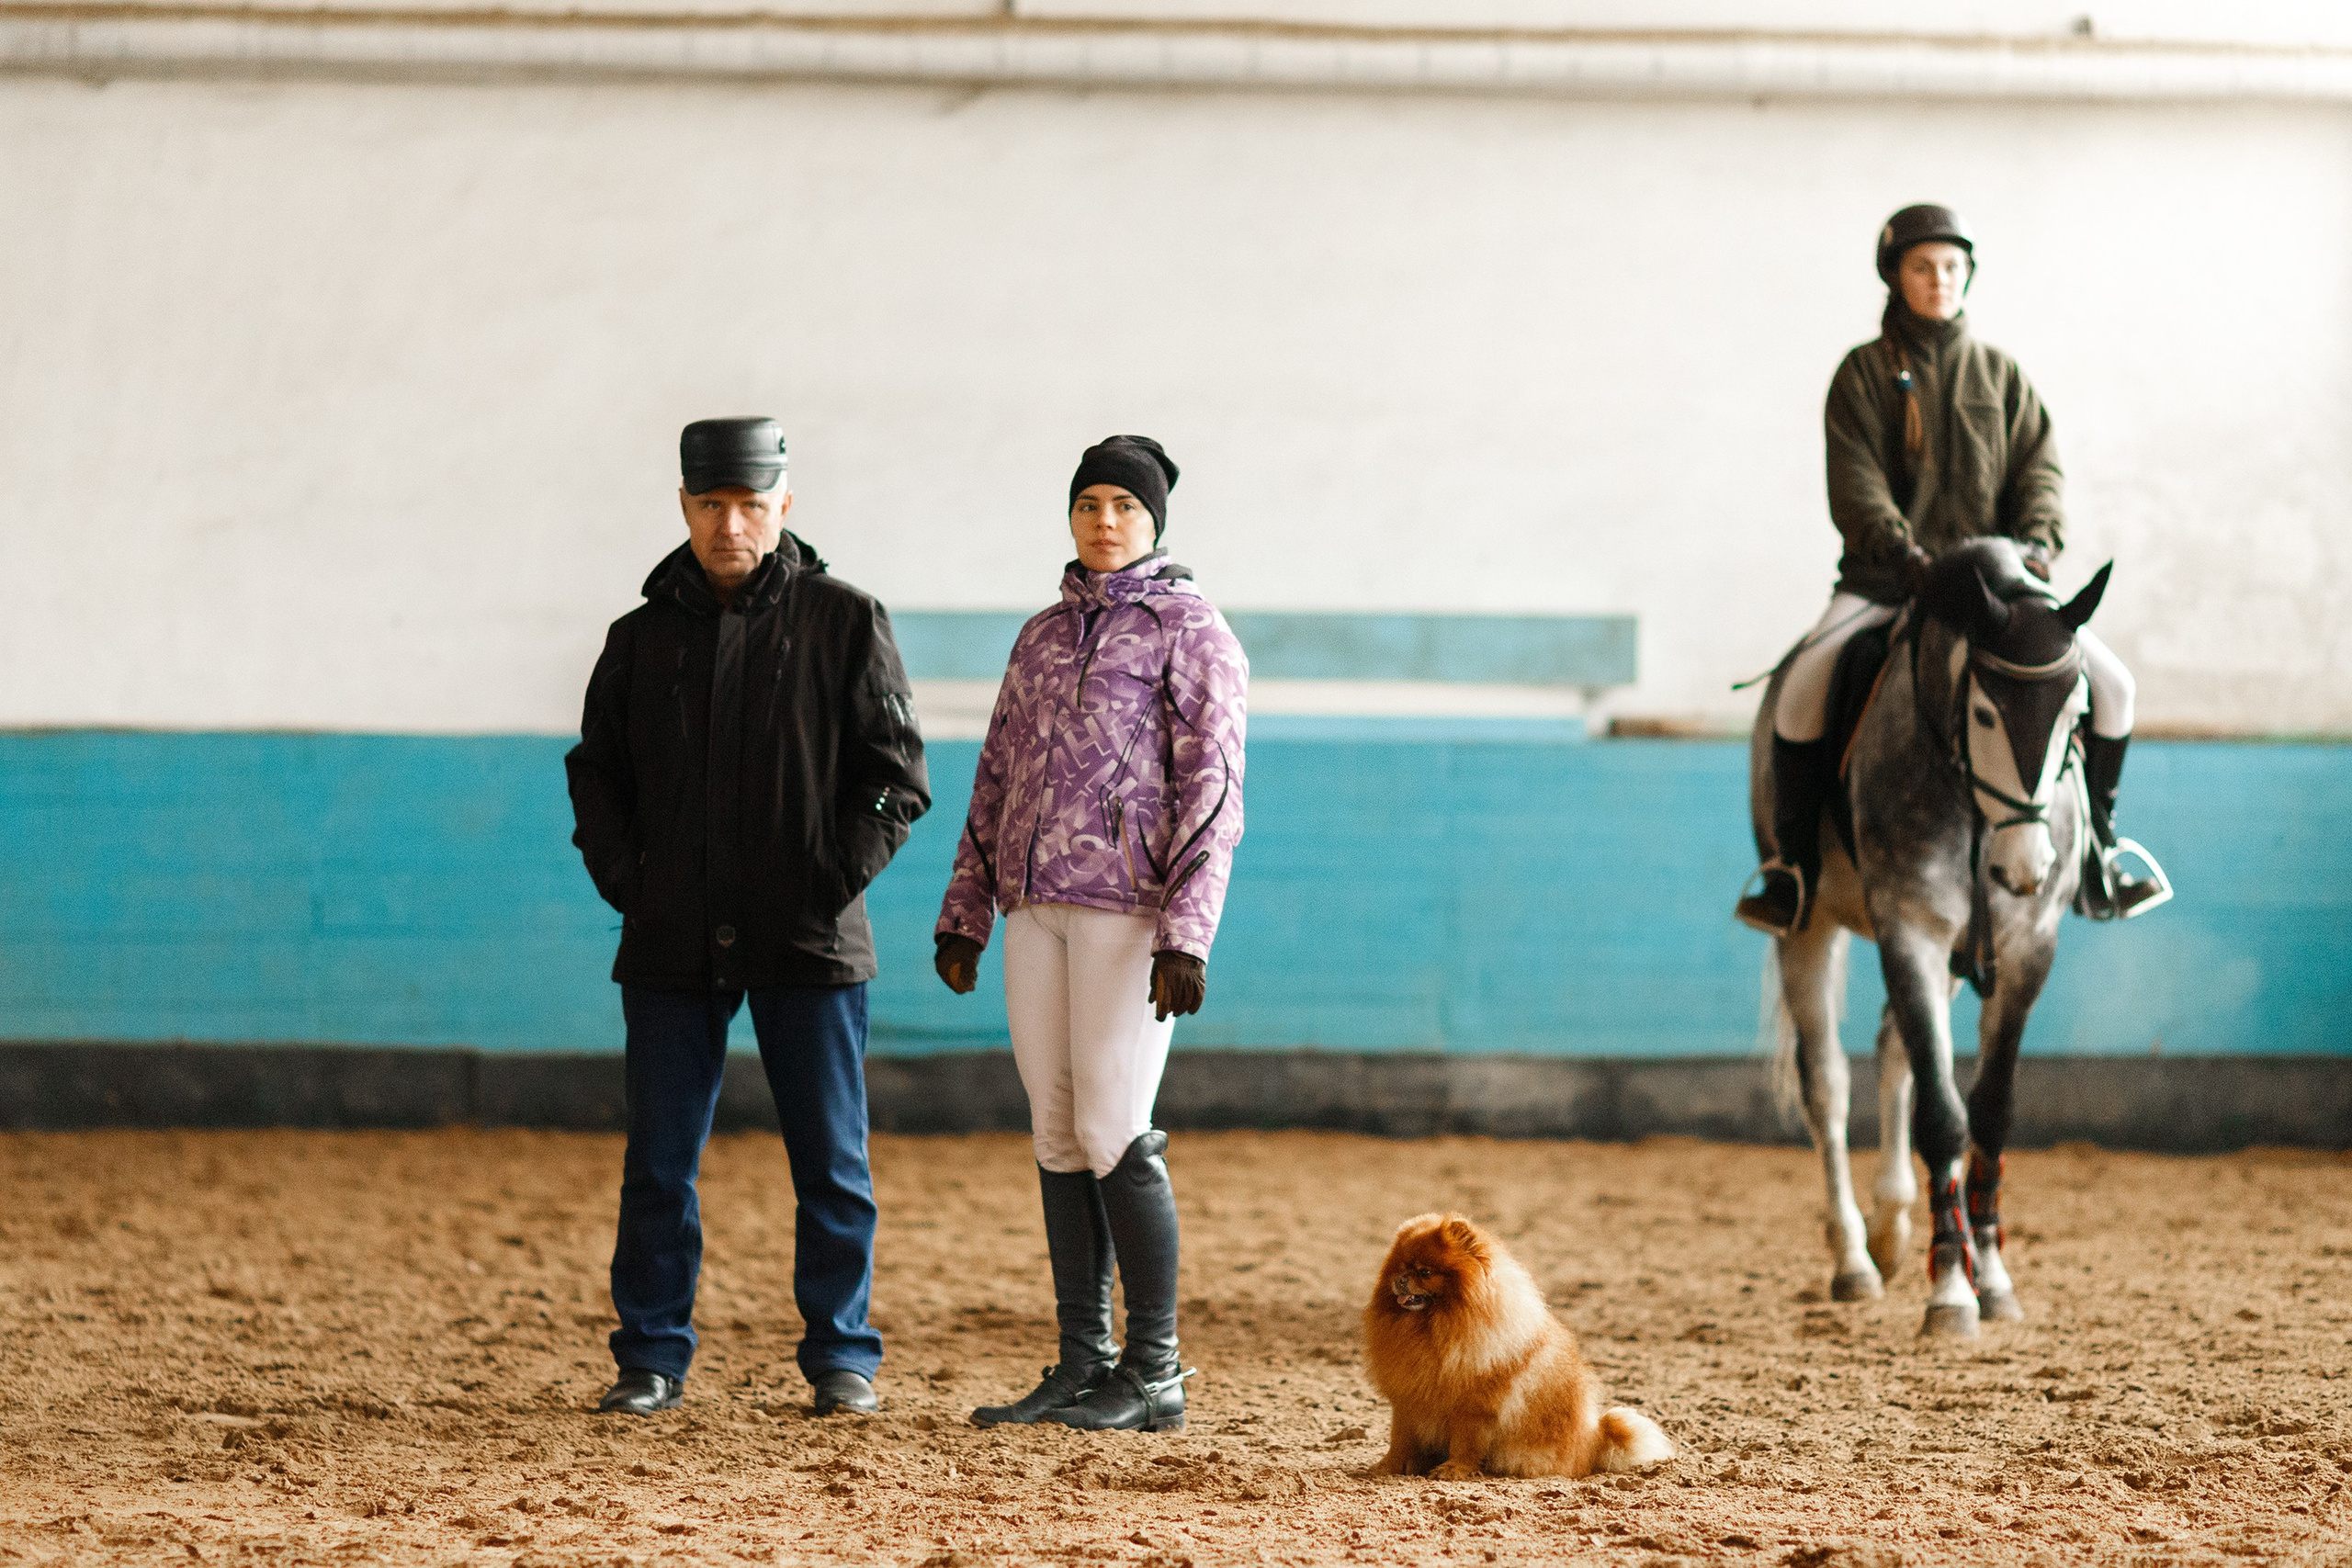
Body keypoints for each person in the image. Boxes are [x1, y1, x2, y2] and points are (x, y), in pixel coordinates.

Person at [565, 417, 930, 1417]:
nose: (731, 525)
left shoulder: (846, 621)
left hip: (809, 942)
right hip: (671, 942)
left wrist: (825, 884)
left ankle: (841, 1356)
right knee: (659, 1164)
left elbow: (895, 779)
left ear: (784, 506)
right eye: (711, 505)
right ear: (684, 505)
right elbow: (597, 775)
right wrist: (631, 884)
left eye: (751, 506)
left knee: (832, 1163)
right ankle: (649, 1355)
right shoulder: (637, 641)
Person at [933, 435, 1248, 1434]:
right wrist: (965, 911)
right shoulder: (1039, 637)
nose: (1103, 521)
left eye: (1123, 504)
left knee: (1113, 1127)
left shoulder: (1193, 632)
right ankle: (1082, 1362)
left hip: (1128, 913)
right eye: (1088, 504)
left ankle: (1154, 1371)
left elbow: (1214, 786)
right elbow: (995, 775)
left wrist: (1186, 932)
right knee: (1059, 1131)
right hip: (1036, 907)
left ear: (1154, 520)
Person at [1736, 204, 2164, 936]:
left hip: (2001, 587)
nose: (1939, 279)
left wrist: (2036, 544)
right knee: (1800, 690)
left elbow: (2041, 472)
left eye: (1952, 267)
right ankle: (1795, 868)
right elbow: (1857, 482)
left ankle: (2100, 852)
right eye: (1922, 267)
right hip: (1888, 581)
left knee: (2115, 686)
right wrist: (1905, 555)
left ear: (1968, 275)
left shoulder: (2002, 374)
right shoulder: (1863, 374)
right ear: (1895, 278)